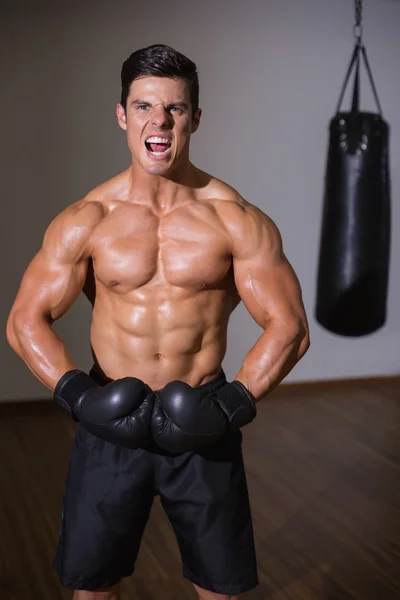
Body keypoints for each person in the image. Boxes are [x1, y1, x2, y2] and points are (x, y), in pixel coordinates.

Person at [6, 44, 310, 600]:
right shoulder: (88, 219)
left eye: (174, 108)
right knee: (92, 587)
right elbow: (26, 319)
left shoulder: (236, 220)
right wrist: (78, 396)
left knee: (221, 589)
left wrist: (233, 404)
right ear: (122, 115)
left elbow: (290, 326)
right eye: (144, 106)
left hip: (203, 419)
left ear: (195, 117)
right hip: (108, 423)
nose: (159, 121)